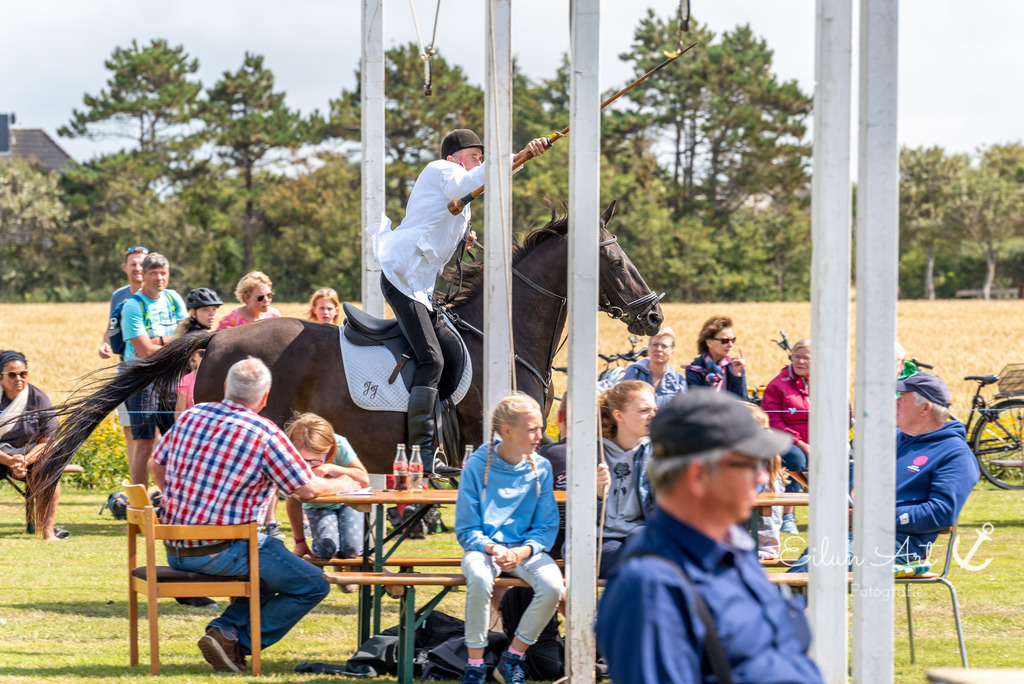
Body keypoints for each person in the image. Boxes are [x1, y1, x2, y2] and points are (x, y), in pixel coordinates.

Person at [595, 389, 824, 684]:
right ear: (698, 476)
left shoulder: (734, 552)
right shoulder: (651, 586)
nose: (762, 477)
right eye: (747, 463)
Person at [149, 357, 343, 673]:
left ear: (226, 387)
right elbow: (306, 490)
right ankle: (240, 642)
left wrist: (178, 499)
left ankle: (224, 631)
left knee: (274, 559)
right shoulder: (265, 432)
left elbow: (155, 465)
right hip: (224, 550)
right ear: (264, 398)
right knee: (313, 583)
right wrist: (346, 481)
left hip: (175, 548)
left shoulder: (191, 415)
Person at [374, 129, 551, 465]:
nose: (478, 162)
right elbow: (463, 186)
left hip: (421, 289)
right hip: (402, 278)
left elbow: (438, 220)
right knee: (432, 360)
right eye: (474, 156)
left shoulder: (458, 184)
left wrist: (461, 239)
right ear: (453, 157)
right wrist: (521, 154)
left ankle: (445, 434)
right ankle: (423, 453)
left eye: (481, 159)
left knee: (455, 351)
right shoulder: (442, 171)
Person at [786, 372, 979, 574]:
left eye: (902, 399)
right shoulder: (891, 438)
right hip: (853, 537)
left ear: (925, 408)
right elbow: (854, 474)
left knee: (814, 568)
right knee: (809, 566)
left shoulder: (955, 453)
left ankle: (776, 605)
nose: (895, 403)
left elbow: (941, 513)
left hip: (900, 544)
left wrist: (871, 517)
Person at [454, 392, 563, 684]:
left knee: (553, 586)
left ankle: (513, 658)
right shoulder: (477, 465)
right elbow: (466, 528)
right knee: (478, 577)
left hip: (524, 551)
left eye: (541, 427)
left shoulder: (542, 467)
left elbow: (546, 525)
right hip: (484, 548)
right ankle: (474, 665)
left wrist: (523, 552)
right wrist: (492, 547)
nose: (540, 435)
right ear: (507, 431)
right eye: (532, 429)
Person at [120, 252, 188, 485]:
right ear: (144, 276)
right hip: (141, 379)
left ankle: (169, 498)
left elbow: (187, 336)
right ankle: (139, 505)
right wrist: (173, 340)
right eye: (154, 273)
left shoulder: (173, 298)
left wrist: (157, 340)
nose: (159, 278)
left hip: (169, 376)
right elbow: (144, 352)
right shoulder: (132, 306)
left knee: (175, 439)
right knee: (145, 443)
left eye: (163, 273)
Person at [284, 413, 370, 564]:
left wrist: (332, 468)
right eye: (305, 460)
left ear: (329, 448)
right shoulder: (290, 456)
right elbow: (292, 501)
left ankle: (346, 566)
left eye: (316, 459)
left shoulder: (340, 444)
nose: (310, 465)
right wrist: (300, 541)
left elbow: (363, 479)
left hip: (348, 503)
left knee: (352, 548)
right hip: (318, 506)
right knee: (326, 549)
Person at [0, 351, 65, 541]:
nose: (19, 379)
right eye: (12, 375)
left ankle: (48, 531)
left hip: (31, 454)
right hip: (3, 455)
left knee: (51, 472)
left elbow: (49, 441)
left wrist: (24, 460)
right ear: (1, 378)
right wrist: (10, 461)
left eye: (23, 374)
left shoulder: (38, 398)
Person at [597, 380, 657, 577]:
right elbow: (574, 516)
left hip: (640, 535)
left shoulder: (658, 453)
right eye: (644, 410)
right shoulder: (594, 451)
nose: (653, 416)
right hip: (600, 539)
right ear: (619, 415)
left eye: (654, 409)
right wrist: (597, 494)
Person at [98, 246, 148, 484]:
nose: (138, 268)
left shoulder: (161, 295)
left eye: (142, 264)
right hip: (125, 372)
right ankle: (137, 487)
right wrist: (105, 344)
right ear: (125, 268)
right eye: (133, 264)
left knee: (154, 431)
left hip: (154, 371)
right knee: (130, 431)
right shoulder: (119, 296)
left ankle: (158, 489)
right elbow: (112, 328)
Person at [761, 336, 811, 534]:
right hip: (786, 438)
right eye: (796, 357)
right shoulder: (777, 385)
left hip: (819, 438)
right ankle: (789, 515)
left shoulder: (825, 382)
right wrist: (801, 443)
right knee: (796, 459)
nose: (800, 362)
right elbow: (773, 421)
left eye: (805, 358)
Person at [173, 288, 224, 419]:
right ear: (193, 313)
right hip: (184, 396)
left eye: (214, 309)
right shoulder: (197, 337)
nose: (211, 313)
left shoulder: (190, 332)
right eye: (205, 309)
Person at [621, 326, 686, 407]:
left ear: (671, 353)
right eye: (655, 344)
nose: (658, 349)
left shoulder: (678, 383)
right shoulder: (634, 373)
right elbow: (620, 403)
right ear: (648, 349)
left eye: (664, 346)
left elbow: (684, 413)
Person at [685, 315, 747, 400]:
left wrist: (737, 376)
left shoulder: (734, 366)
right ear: (709, 342)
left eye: (732, 340)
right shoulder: (695, 370)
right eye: (724, 341)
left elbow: (744, 405)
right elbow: (696, 406)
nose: (730, 345)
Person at [216, 271, 281, 330]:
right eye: (260, 297)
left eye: (269, 295)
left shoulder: (275, 316)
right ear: (246, 298)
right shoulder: (231, 321)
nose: (266, 300)